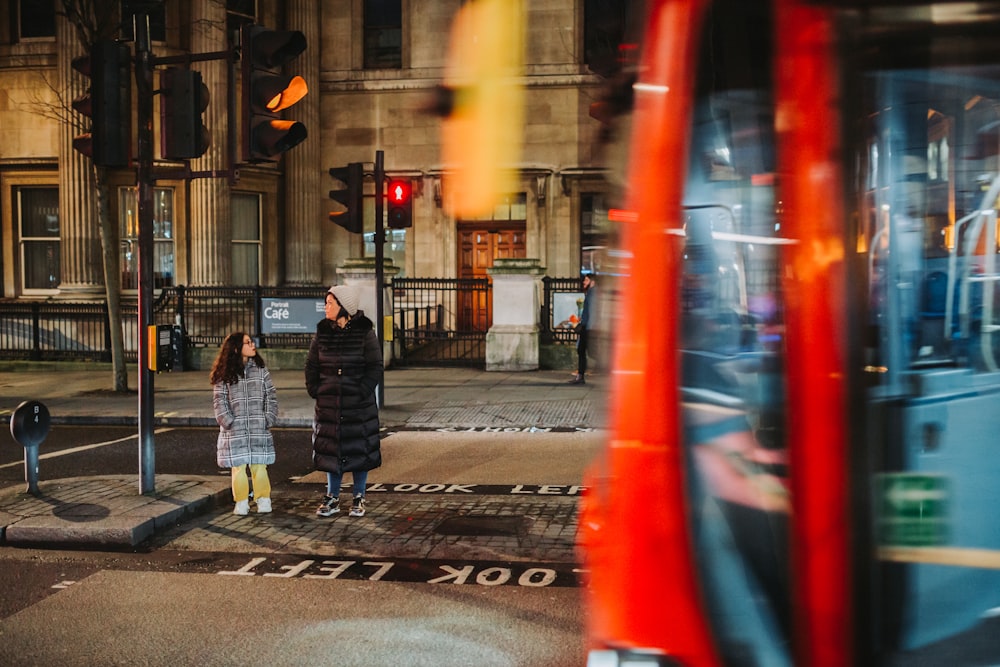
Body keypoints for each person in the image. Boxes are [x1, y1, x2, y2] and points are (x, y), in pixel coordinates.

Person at [306, 284, 383, 518]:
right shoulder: (322, 332)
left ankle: (359, 497)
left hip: (358, 405)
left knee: (359, 449)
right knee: (332, 449)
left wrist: (362, 392)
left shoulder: (365, 333)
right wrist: (316, 390)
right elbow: (312, 365)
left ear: (344, 307)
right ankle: (332, 497)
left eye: (330, 303)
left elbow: (375, 366)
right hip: (329, 404)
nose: (325, 307)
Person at [210, 332, 278, 516]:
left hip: (257, 426)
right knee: (238, 467)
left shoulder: (260, 369)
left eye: (252, 342)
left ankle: (263, 498)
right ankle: (241, 501)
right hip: (235, 429)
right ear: (236, 348)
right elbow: (219, 400)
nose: (253, 345)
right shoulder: (224, 374)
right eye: (248, 342)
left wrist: (268, 417)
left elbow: (271, 395)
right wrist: (228, 421)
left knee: (259, 465)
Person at [570, 272, 596, 384]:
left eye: (586, 280)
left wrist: (588, 325)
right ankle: (580, 375)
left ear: (592, 281)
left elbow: (593, 312)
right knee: (582, 350)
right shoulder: (590, 292)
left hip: (588, 327)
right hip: (587, 326)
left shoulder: (593, 293)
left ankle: (580, 376)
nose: (584, 282)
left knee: (584, 350)